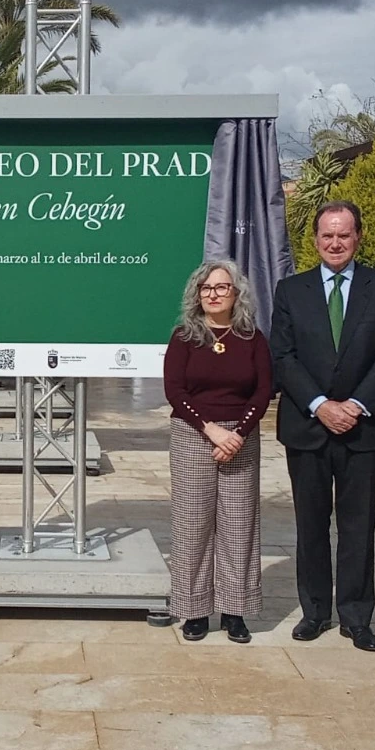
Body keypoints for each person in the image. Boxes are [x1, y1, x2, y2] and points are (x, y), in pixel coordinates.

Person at [271, 200, 375, 652]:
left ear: (358, 237)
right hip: (307, 428)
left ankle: (356, 616)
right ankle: (314, 612)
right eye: (327, 235)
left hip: (362, 428)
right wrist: (318, 404)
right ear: (314, 240)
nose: (335, 242)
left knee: (358, 526)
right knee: (310, 524)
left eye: (344, 234)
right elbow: (283, 355)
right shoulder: (291, 291)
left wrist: (354, 404)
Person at [163, 260, 273, 643]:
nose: (213, 294)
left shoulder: (253, 339)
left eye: (221, 288)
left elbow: (262, 391)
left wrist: (238, 433)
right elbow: (175, 391)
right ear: (197, 294)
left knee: (239, 526)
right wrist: (209, 429)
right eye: (206, 288)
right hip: (195, 435)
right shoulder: (184, 338)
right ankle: (194, 610)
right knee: (192, 525)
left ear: (236, 293)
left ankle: (234, 609)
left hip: (240, 438)